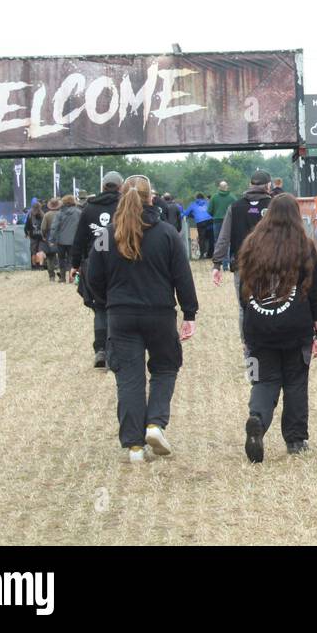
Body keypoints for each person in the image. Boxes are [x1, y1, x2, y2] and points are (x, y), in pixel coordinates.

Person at [86, 175, 197, 463]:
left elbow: (93, 278)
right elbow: (182, 276)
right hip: (159, 314)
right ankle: (155, 424)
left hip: (121, 315)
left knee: (129, 379)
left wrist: (105, 302)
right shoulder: (167, 234)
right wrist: (189, 312)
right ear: (152, 198)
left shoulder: (105, 237)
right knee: (165, 368)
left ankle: (134, 446)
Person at [237, 193, 317, 462]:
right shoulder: (305, 247)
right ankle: (296, 439)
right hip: (295, 326)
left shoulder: (252, 244)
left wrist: (247, 328)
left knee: (264, 380)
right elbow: (316, 293)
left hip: (259, 325)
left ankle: (258, 419)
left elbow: (244, 291)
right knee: (296, 381)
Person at [212, 171, 275, 351]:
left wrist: (217, 263)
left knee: (244, 305)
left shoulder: (235, 207)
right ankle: (268, 339)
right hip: (269, 265)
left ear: (250, 184)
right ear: (268, 186)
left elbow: (223, 237)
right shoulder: (273, 206)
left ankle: (247, 343)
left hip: (242, 265)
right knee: (269, 301)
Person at [73, 171, 125, 369]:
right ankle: (115, 350)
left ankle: (101, 350)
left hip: (94, 264)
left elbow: (79, 240)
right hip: (121, 262)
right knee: (119, 307)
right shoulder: (124, 206)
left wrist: (75, 264)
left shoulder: (89, 208)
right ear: (120, 187)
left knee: (100, 308)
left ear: (103, 187)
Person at [49, 196, 83, 288]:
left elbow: (54, 227)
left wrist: (51, 239)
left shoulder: (59, 213)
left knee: (61, 259)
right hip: (74, 241)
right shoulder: (79, 212)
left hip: (61, 241)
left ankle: (62, 278)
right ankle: (72, 278)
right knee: (72, 260)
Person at [184, 192, 213, 259]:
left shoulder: (193, 204)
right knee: (211, 238)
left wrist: (191, 215)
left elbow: (186, 213)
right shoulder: (207, 203)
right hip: (210, 220)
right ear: (203, 197)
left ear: (196, 198)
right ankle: (210, 254)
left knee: (202, 238)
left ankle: (202, 254)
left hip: (200, 222)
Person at [208, 180, 235, 248]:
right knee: (228, 239)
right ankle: (227, 257)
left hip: (217, 221)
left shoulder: (214, 197)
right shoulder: (232, 197)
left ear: (219, 188)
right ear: (227, 187)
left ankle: (218, 257)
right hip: (229, 221)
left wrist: (215, 215)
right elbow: (236, 209)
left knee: (217, 240)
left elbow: (209, 211)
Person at [40, 199, 62, 282]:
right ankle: (61, 274)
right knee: (61, 256)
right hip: (60, 236)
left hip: (50, 236)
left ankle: (51, 276)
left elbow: (43, 228)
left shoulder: (47, 215)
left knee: (50, 257)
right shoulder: (61, 214)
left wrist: (44, 236)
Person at [24, 202, 46, 269]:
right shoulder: (43, 215)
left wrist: (26, 234)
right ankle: (41, 265)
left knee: (33, 251)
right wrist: (45, 235)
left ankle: (34, 266)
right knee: (41, 250)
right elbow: (45, 226)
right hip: (41, 236)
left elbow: (26, 226)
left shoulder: (30, 215)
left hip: (33, 235)